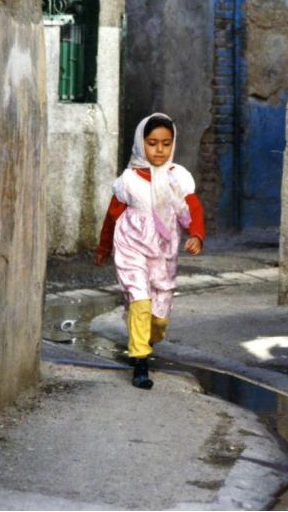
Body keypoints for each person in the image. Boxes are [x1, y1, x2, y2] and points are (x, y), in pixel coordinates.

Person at [94, 112, 205, 389]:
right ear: (141, 142)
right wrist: (104, 247)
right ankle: (140, 363)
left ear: (173, 144)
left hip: (163, 252)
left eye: (166, 144)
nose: (159, 149)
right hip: (131, 246)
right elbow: (112, 215)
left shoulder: (178, 177)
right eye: (152, 143)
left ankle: (145, 338)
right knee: (139, 298)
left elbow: (191, 209)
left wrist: (196, 235)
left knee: (159, 317)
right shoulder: (128, 180)